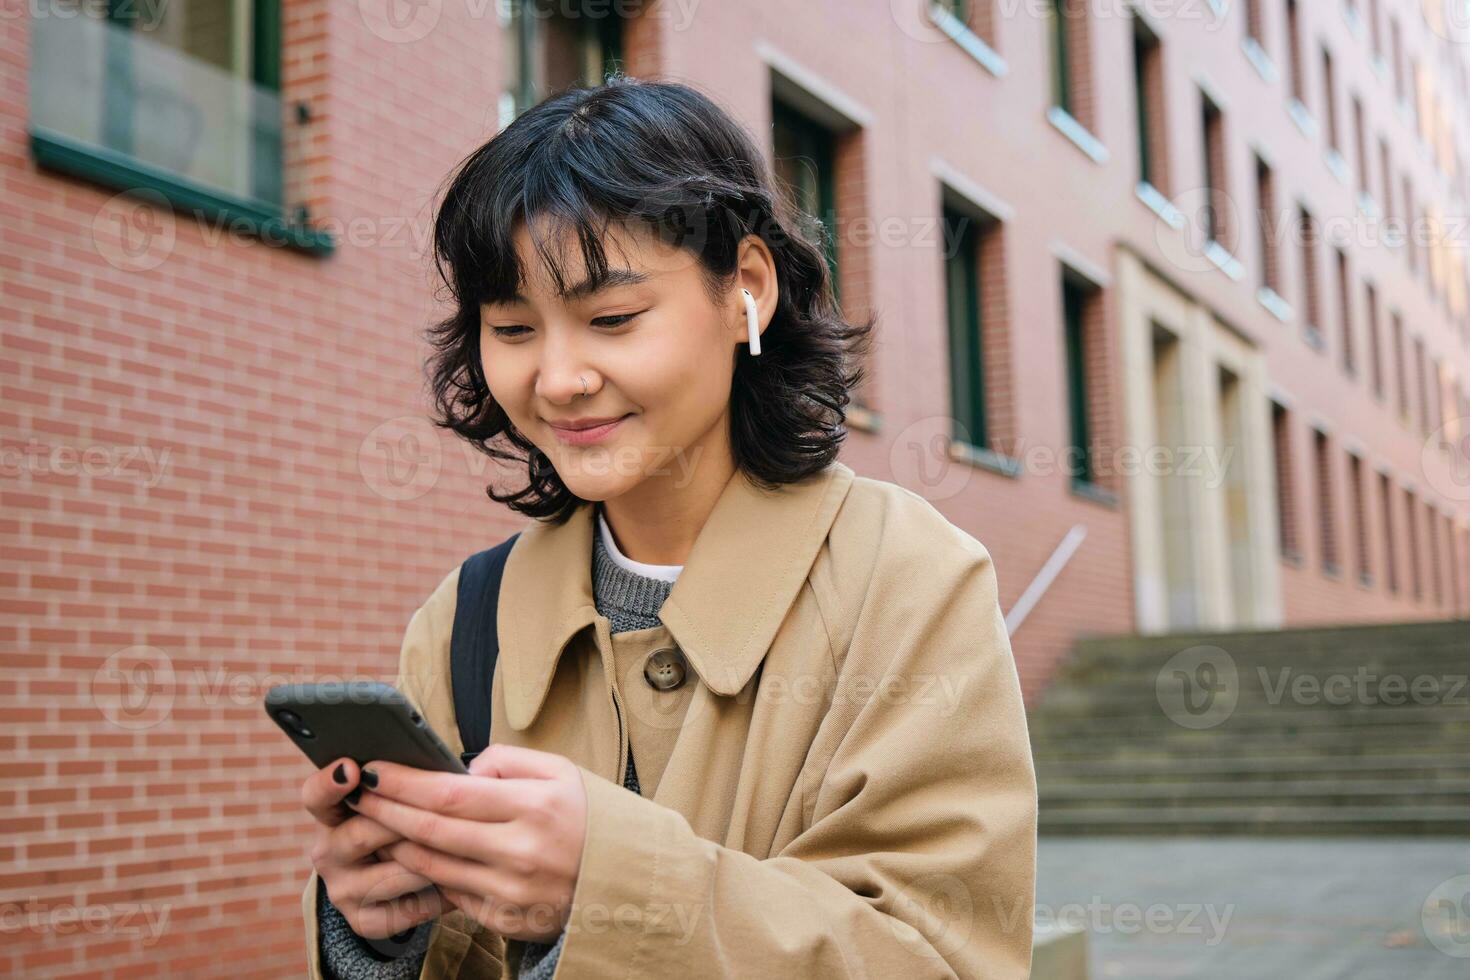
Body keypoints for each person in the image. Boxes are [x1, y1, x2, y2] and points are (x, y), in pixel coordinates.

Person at [296, 74, 1037, 980]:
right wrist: (375, 935)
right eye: (514, 328)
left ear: (747, 291)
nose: (560, 378)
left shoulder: (911, 578)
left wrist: (605, 889)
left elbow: (943, 959)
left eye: (613, 318)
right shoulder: (466, 618)